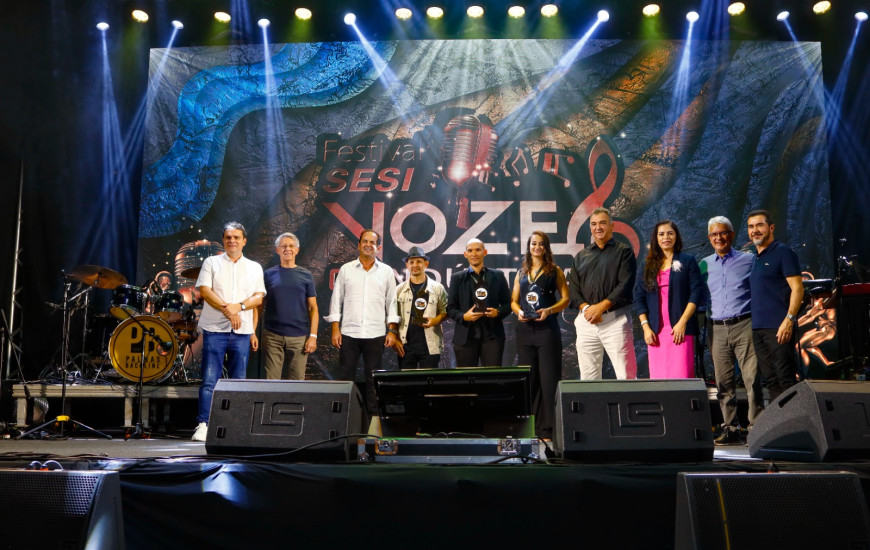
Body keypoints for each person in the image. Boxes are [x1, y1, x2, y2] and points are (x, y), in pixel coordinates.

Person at [192, 222, 265, 441]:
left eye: (236, 237)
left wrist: (238, 307)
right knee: (209, 379)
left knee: (238, 380)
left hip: (242, 331)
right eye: (228, 237)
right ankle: (203, 424)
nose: (232, 240)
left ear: (244, 241)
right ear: (223, 240)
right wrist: (228, 309)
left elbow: (258, 297)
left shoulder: (254, 267)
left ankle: (234, 425)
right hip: (215, 329)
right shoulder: (211, 262)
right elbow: (205, 291)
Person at [699, 215, 762, 445]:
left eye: (723, 233)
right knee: (723, 382)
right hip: (716, 328)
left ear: (731, 235)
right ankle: (731, 428)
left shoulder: (749, 260)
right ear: (709, 238)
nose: (719, 238)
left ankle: (757, 427)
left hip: (744, 323)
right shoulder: (704, 264)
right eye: (714, 234)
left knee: (752, 378)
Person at [326, 229, 400, 414]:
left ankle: (374, 419)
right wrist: (335, 328)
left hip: (376, 333)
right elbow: (336, 299)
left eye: (372, 242)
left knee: (373, 379)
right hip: (349, 333)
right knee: (345, 378)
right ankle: (342, 417)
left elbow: (392, 302)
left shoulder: (386, 271)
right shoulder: (346, 269)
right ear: (359, 245)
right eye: (365, 241)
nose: (368, 245)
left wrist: (392, 331)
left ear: (378, 247)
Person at [510, 231, 570, 439]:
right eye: (533, 243)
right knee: (529, 380)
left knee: (549, 380)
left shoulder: (554, 270)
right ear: (528, 247)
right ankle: (531, 429)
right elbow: (513, 301)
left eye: (541, 244)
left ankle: (550, 430)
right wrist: (519, 312)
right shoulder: (521, 272)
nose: (537, 247)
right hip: (525, 332)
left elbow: (566, 299)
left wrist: (550, 310)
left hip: (547, 331)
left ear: (546, 247)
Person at [567, 207, 637, 380]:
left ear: (612, 226)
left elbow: (625, 285)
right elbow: (573, 288)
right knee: (588, 378)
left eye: (602, 223)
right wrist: (587, 309)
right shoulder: (581, 256)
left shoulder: (624, 252)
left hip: (615, 321)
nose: (598, 227)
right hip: (587, 322)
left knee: (626, 376)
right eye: (594, 224)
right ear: (590, 228)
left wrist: (600, 308)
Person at [633, 220, 704, 378]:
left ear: (676, 236)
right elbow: (639, 298)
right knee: (659, 381)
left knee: (681, 378)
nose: (666, 237)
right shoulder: (647, 265)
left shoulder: (687, 260)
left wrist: (682, 323)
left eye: (670, 233)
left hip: (680, 330)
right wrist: (646, 327)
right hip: (655, 332)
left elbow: (696, 292)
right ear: (656, 238)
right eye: (661, 234)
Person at [747, 209, 804, 402]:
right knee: (771, 381)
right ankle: (778, 420)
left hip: (778, 328)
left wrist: (789, 320)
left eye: (759, 225)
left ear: (771, 227)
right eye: (751, 226)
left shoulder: (783, 252)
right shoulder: (756, 257)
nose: (755, 230)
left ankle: (795, 419)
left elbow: (798, 289)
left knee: (785, 380)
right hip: (758, 329)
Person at [261, 232, 318, 380]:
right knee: (271, 382)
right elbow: (259, 305)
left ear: (297, 250)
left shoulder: (306, 275)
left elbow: (313, 308)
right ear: (277, 250)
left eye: (291, 246)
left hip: (299, 337)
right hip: (272, 336)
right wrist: (253, 332)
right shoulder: (268, 275)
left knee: (297, 383)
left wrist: (313, 336)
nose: (288, 249)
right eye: (284, 246)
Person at [446, 238, 512, 367]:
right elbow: (451, 308)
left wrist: (498, 312)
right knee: (466, 378)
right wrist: (464, 316)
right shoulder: (457, 278)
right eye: (470, 251)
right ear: (465, 254)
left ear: (485, 252)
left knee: (492, 377)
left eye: (478, 250)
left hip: (492, 337)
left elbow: (508, 304)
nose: (474, 254)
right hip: (465, 338)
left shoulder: (497, 276)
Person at [394, 247, 448, 369]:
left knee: (429, 380)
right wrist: (394, 335)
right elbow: (394, 315)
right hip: (405, 345)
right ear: (407, 265)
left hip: (430, 345)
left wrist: (434, 321)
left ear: (426, 264)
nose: (415, 265)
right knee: (406, 380)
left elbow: (445, 311)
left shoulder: (438, 288)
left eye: (419, 261)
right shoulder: (399, 290)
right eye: (411, 262)